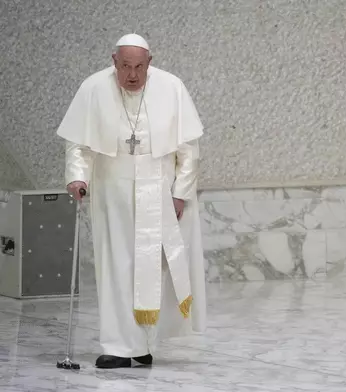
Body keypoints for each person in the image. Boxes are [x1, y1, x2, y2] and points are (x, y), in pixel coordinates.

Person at [57, 33, 207, 369]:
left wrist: (180, 193)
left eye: (139, 67)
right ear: (114, 62)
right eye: (125, 67)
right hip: (112, 191)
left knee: (154, 268)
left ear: (149, 63)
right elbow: (78, 144)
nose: (133, 75)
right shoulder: (93, 89)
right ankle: (119, 346)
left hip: (159, 190)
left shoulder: (172, 88)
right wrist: (77, 176)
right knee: (115, 266)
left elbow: (189, 151)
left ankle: (143, 344)